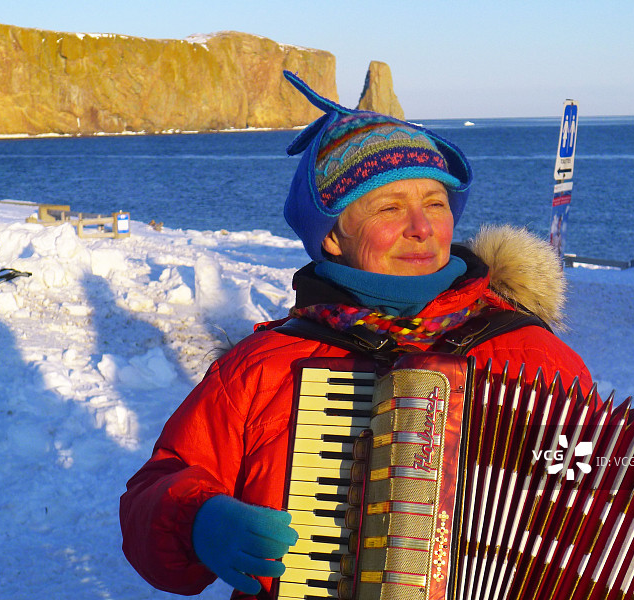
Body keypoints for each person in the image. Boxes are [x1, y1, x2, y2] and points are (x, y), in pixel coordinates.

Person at [119, 71, 596, 598]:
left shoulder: (532, 354)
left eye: (435, 203)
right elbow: (155, 491)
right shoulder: (265, 366)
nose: (422, 227)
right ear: (332, 236)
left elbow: (605, 504)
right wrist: (194, 519)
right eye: (390, 207)